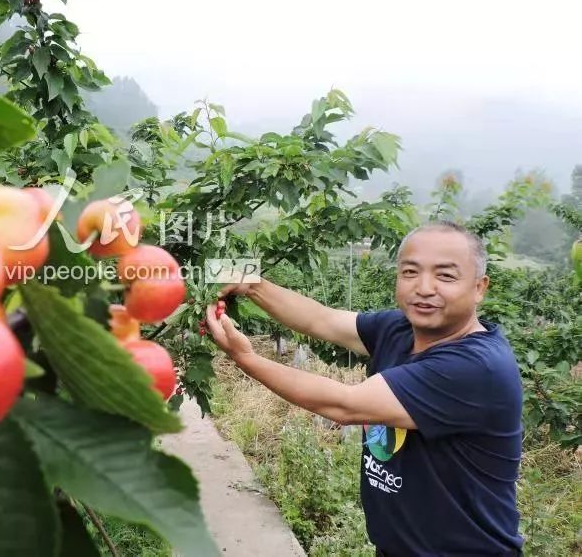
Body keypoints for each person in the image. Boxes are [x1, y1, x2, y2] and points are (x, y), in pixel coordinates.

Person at [205, 221, 524, 556]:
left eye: (445, 275)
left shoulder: (477, 367)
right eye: (410, 272)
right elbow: (321, 319)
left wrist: (246, 358)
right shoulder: (400, 329)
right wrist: (250, 282)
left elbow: (345, 404)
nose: (424, 287)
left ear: (479, 287)